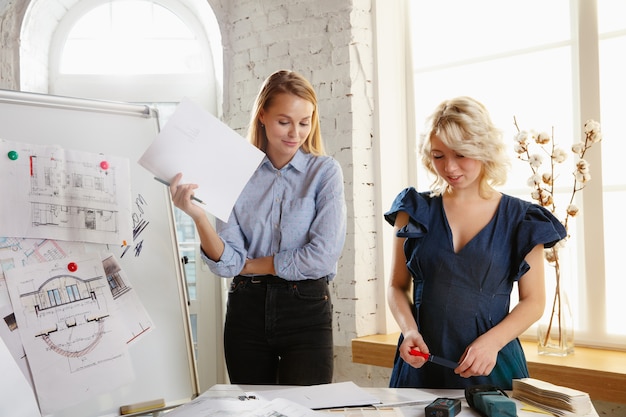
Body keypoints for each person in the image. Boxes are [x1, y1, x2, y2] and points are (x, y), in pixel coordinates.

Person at [168, 70, 347, 385]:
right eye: (284, 121)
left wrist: (254, 265)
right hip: (246, 309)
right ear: (262, 115)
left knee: (308, 409)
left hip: (306, 309)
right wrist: (198, 216)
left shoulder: (324, 172)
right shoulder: (236, 173)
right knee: (251, 409)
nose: (295, 133)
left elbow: (323, 256)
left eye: (304, 122)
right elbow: (228, 264)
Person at [385, 96, 566, 390]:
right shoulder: (413, 210)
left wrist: (492, 343)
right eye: (438, 155)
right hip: (421, 363)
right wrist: (408, 331)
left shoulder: (522, 219)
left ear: (482, 150)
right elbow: (396, 286)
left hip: (491, 364)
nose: (450, 168)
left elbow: (534, 301)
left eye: (460, 154)